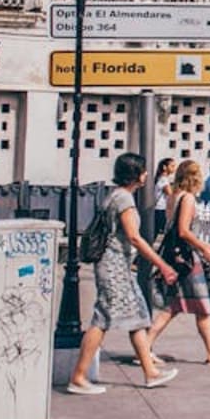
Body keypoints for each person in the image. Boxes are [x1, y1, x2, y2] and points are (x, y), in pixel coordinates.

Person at [66, 152, 180, 395]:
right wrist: (162, 264)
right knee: (102, 319)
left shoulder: (115, 196)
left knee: (138, 317)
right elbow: (134, 237)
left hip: (119, 267)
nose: (147, 174)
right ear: (135, 174)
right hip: (114, 267)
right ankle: (78, 377)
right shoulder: (123, 200)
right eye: (143, 170)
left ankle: (150, 373)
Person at [142, 160, 210, 366]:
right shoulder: (189, 198)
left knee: (172, 307)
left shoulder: (173, 197)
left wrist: (203, 245)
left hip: (176, 256)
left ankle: (145, 347)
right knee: (201, 307)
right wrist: (204, 248)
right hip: (187, 259)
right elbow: (183, 231)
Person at [150, 157, 176, 240]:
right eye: (172, 166)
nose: (174, 168)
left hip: (159, 208)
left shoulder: (162, 179)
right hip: (160, 209)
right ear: (164, 167)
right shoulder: (163, 180)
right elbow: (170, 194)